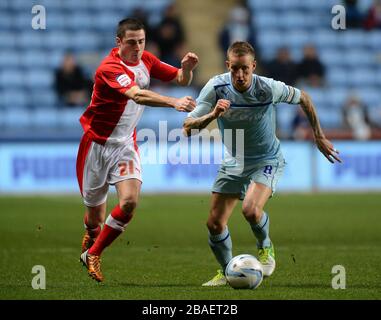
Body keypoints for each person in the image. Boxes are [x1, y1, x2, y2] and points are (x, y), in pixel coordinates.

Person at [182, 41, 341, 286]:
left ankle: (265, 247)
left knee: (251, 210)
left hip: (267, 158)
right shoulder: (216, 87)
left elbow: (305, 98)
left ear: (253, 66)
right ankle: (227, 272)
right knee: (214, 223)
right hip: (235, 160)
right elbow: (187, 128)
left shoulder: (268, 88)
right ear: (228, 66)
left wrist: (318, 135)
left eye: (245, 68)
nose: (240, 74)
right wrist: (212, 115)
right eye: (235, 68)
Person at [78, 18, 198, 282]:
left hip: (125, 145)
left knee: (130, 202)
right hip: (96, 147)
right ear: (119, 42)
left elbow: (180, 78)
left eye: (141, 41)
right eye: (131, 42)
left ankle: (94, 253)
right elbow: (137, 94)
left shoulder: (147, 60)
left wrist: (186, 69)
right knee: (95, 217)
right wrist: (172, 102)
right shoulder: (109, 68)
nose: (137, 47)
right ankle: (90, 230)